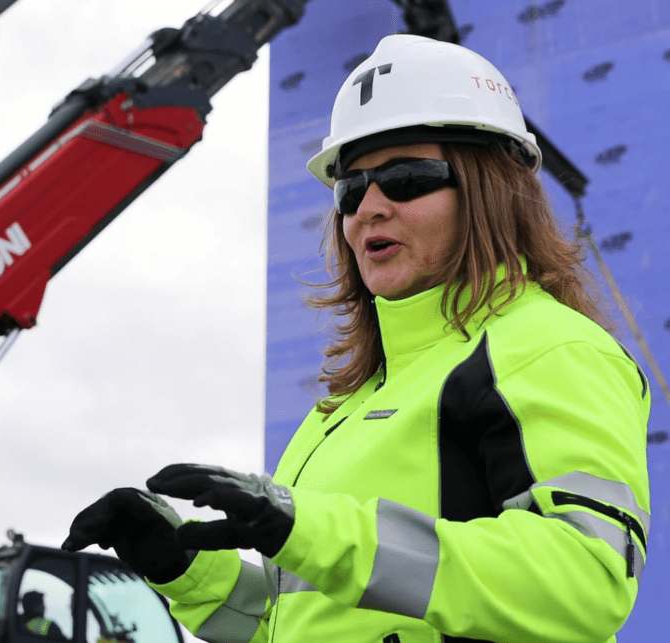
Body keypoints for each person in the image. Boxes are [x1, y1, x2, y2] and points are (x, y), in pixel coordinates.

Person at [62, 34, 651, 643]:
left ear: (491, 189)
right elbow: (306, 623)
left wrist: (311, 529)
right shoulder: (342, 409)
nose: (368, 205)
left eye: (404, 177)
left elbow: (584, 579)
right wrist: (186, 569)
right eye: (349, 187)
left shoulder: (551, 347)